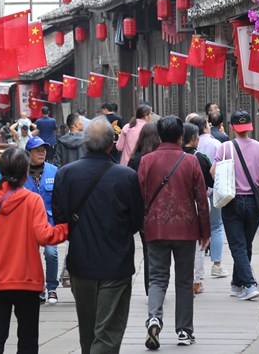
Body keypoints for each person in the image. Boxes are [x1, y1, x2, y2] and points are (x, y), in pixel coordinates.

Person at [0, 147, 68, 354]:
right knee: (27, 341)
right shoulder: (32, 201)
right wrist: (66, 228)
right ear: (26, 172)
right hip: (26, 281)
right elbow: (45, 236)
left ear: (1, 171)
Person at [52, 119, 144, 354]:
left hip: (81, 262)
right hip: (116, 262)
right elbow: (136, 221)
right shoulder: (126, 177)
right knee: (108, 332)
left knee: (88, 331)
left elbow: (61, 218)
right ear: (111, 144)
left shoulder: (65, 174)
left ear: (84, 142)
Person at [138, 116, 210, 349]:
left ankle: (155, 318)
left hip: (156, 227)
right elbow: (201, 198)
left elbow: (139, 195)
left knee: (157, 277)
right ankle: (184, 331)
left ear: (160, 136)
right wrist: (205, 230)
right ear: (181, 136)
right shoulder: (190, 161)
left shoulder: (146, 161)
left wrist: (141, 223)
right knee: (184, 279)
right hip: (186, 229)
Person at [213, 110, 259, 301]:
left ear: (232, 127)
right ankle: (236, 284)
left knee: (238, 246)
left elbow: (213, 172)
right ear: (250, 127)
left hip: (232, 201)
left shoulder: (224, 148)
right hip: (254, 203)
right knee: (245, 244)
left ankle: (248, 284)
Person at [23, 136, 61, 303]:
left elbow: (61, 197)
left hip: (49, 222)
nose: (42, 153)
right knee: (31, 256)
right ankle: (37, 288)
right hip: (27, 223)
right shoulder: (21, 173)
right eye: (37, 150)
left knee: (51, 253)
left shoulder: (54, 171)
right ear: (28, 153)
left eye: (43, 150)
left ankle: (51, 288)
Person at [189, 116, 228, 279]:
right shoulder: (216, 144)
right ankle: (217, 265)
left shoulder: (188, 146)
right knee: (217, 226)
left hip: (194, 194)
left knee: (196, 231)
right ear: (205, 127)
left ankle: (197, 269)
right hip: (213, 191)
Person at [126, 121, 161, 295]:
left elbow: (129, 185)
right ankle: (160, 285)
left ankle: (151, 288)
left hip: (142, 211)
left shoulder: (135, 159)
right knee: (162, 252)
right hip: (162, 210)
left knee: (149, 251)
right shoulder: (162, 158)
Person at [182, 122, 215, 296]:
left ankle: (183, 278)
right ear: (194, 138)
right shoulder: (200, 158)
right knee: (199, 245)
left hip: (177, 204)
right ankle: (196, 281)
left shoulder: (175, 156)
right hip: (198, 204)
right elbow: (211, 183)